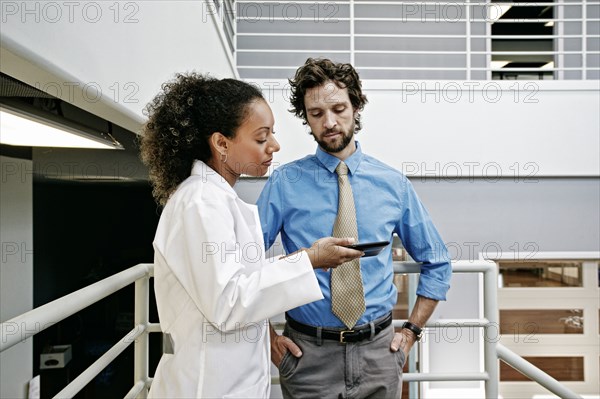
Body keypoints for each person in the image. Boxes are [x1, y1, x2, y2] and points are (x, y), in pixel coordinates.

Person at [139, 72, 363, 398]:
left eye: (272, 134)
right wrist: (310, 260)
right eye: (261, 138)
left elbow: (244, 281)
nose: (275, 145)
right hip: (208, 386)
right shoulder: (200, 203)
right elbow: (229, 303)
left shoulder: (218, 198)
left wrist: (307, 259)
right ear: (221, 143)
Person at [257, 58, 452, 398]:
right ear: (306, 118)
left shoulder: (393, 184)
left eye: (338, 108)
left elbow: (437, 261)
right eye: (316, 114)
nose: (329, 122)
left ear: (356, 106)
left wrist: (411, 333)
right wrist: (266, 336)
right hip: (306, 356)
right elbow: (245, 265)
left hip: (380, 353)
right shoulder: (285, 182)